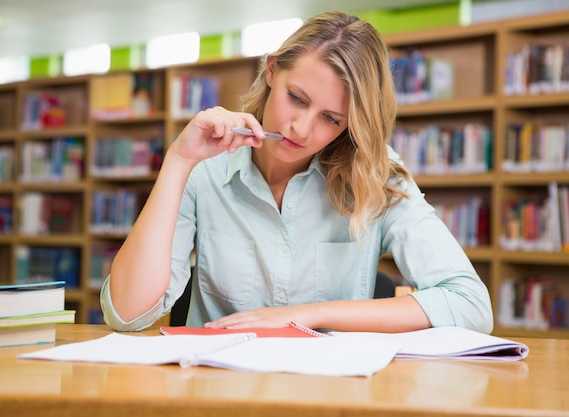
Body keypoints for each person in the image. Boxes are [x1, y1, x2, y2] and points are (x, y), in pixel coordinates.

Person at [100, 11, 493, 334]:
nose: (301, 129)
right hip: (216, 390)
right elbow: (127, 314)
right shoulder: (205, 167)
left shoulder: (377, 173)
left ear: (350, 125)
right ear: (272, 71)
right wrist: (179, 161)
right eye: (296, 98)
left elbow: (471, 304)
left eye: (330, 118)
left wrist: (311, 314)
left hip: (331, 394)